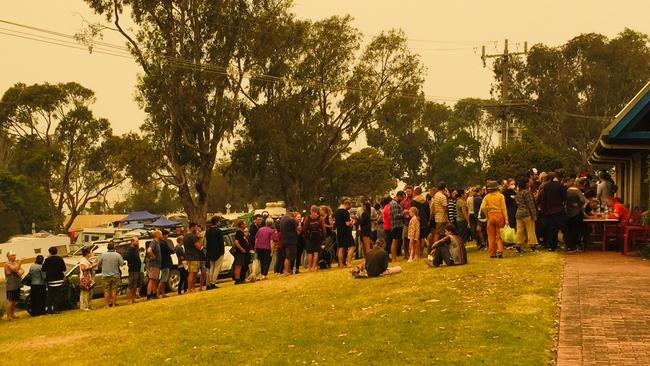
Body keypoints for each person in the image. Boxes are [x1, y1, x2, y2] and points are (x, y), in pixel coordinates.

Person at [538, 171, 567, 252]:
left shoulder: (546, 186)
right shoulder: (560, 185)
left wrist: (544, 210)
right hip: (559, 209)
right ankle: (569, 244)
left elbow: (544, 199)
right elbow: (564, 197)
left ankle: (552, 246)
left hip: (549, 211)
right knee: (564, 228)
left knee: (552, 229)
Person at [480, 181, 509, 259]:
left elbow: (482, 207)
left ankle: (492, 253)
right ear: (497, 188)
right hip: (499, 215)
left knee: (491, 235)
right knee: (499, 235)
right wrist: (506, 219)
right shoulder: (501, 196)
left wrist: (487, 215)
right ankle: (500, 250)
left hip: (491, 216)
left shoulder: (486, 197)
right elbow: (504, 208)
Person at [514, 177, 539, 253]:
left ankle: (518, 246)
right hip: (527, 214)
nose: (529, 184)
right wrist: (534, 216)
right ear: (526, 184)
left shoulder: (518, 193)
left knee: (519, 230)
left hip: (519, 213)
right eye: (528, 182)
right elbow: (530, 204)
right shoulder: (527, 192)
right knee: (530, 230)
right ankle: (532, 246)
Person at [98, 242, 125, 308]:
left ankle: (106, 304)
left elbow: (98, 264)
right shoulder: (117, 255)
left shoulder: (103, 255)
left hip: (105, 275)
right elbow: (122, 264)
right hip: (115, 275)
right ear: (114, 247)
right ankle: (113, 304)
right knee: (114, 290)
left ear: (107, 247)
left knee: (106, 291)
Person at [42, 246, 66, 314]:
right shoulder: (60, 259)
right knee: (57, 295)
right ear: (56, 252)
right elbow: (64, 269)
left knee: (50, 295)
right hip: (59, 279)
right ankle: (56, 309)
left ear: (50, 252)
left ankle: (49, 310)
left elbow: (43, 269)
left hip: (51, 280)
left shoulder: (47, 260)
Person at [566, 178, 587, 253]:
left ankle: (569, 246)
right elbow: (583, 200)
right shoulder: (577, 191)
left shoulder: (568, 190)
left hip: (568, 212)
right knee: (576, 230)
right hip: (576, 213)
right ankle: (575, 246)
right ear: (581, 185)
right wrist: (578, 204)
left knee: (570, 229)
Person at [183, 222, 205, 293]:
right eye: (196, 227)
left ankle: (192, 288)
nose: (197, 228)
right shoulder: (192, 236)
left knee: (194, 273)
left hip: (188, 256)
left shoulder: (185, 236)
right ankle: (190, 289)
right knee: (192, 273)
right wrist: (201, 238)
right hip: (193, 257)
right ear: (192, 227)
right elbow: (199, 247)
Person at [334, 198, 356, 267]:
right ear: (347, 204)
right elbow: (347, 223)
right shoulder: (345, 212)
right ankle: (348, 262)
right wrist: (352, 222)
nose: (350, 208)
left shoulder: (336, 211)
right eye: (350, 206)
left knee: (341, 247)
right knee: (352, 246)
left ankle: (340, 264)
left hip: (339, 232)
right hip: (346, 232)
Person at [304, 206, 325, 272]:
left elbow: (305, 228)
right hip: (318, 237)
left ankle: (309, 267)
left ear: (311, 210)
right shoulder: (320, 218)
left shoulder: (307, 218)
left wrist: (306, 236)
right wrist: (323, 237)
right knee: (316, 252)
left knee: (310, 253)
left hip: (310, 237)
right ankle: (314, 267)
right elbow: (323, 229)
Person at [205, 216, 225, 290]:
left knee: (211, 268)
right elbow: (221, 243)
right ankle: (213, 283)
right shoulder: (218, 231)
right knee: (217, 268)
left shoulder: (208, 231)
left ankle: (209, 283)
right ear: (216, 222)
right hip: (218, 252)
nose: (219, 222)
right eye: (219, 221)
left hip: (210, 252)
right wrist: (222, 252)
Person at [4, 251, 24, 320]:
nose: (15, 256)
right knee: (11, 301)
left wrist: (19, 272)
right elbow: (16, 269)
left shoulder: (15, 263)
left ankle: (13, 314)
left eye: (15, 255)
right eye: (13, 255)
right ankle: (9, 316)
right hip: (11, 285)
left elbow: (22, 270)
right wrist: (20, 263)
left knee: (14, 300)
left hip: (16, 284)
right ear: (8, 257)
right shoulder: (7, 264)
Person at [411, 187, 430, 257]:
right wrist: (427, 220)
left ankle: (417, 253)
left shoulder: (413, 201)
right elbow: (428, 212)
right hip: (424, 221)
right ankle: (421, 253)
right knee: (423, 237)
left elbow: (412, 211)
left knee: (417, 237)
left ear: (415, 192)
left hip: (417, 221)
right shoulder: (425, 201)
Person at [388, 192, 405, 262]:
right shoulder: (394, 204)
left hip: (397, 225)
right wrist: (403, 213)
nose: (403, 199)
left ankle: (394, 258)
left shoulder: (395, 203)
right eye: (402, 197)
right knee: (394, 241)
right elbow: (395, 216)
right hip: (396, 225)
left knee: (396, 241)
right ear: (399, 196)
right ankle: (394, 258)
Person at [233, 220, 251, 284]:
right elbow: (236, 242)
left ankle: (240, 278)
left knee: (241, 265)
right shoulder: (239, 232)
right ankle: (237, 279)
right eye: (244, 224)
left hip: (243, 252)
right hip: (239, 252)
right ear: (241, 225)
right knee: (238, 265)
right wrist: (241, 249)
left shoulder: (242, 232)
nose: (245, 225)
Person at [145, 230, 162, 299]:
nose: (162, 236)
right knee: (152, 280)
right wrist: (153, 256)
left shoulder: (157, 243)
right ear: (157, 235)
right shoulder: (154, 242)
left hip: (157, 265)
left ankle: (154, 294)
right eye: (161, 234)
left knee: (155, 280)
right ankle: (149, 295)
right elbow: (149, 250)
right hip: (153, 264)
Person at [125, 237, 141, 304]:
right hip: (132, 270)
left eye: (138, 241)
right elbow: (127, 258)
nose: (138, 242)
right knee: (130, 285)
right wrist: (131, 264)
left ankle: (133, 299)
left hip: (137, 269)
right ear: (132, 242)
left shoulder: (136, 249)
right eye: (136, 241)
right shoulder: (130, 250)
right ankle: (129, 300)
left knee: (135, 285)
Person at [158, 230, 174, 297]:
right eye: (167, 235)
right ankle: (158, 292)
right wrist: (173, 251)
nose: (167, 236)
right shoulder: (162, 243)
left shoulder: (162, 242)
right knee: (163, 279)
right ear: (164, 235)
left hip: (165, 262)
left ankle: (163, 293)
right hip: (165, 262)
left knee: (165, 279)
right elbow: (167, 250)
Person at [400, 185, 414, 259]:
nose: (408, 193)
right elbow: (400, 212)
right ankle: (406, 254)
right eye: (407, 191)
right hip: (406, 223)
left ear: (412, 191)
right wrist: (404, 213)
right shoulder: (403, 202)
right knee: (405, 238)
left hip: (414, 222)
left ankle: (413, 253)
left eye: (409, 191)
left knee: (413, 238)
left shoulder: (415, 200)